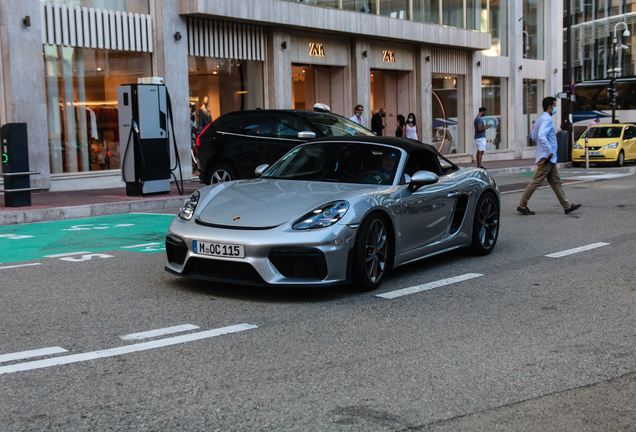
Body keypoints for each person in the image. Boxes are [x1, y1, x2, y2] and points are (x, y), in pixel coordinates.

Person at [517, 97, 582, 216]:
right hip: (547, 157)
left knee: (556, 182)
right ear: (549, 107)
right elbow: (541, 135)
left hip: (548, 157)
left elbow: (534, 136)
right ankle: (522, 205)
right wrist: (548, 151)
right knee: (536, 181)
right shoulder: (547, 120)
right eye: (554, 105)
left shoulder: (540, 119)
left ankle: (566, 206)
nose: (555, 108)